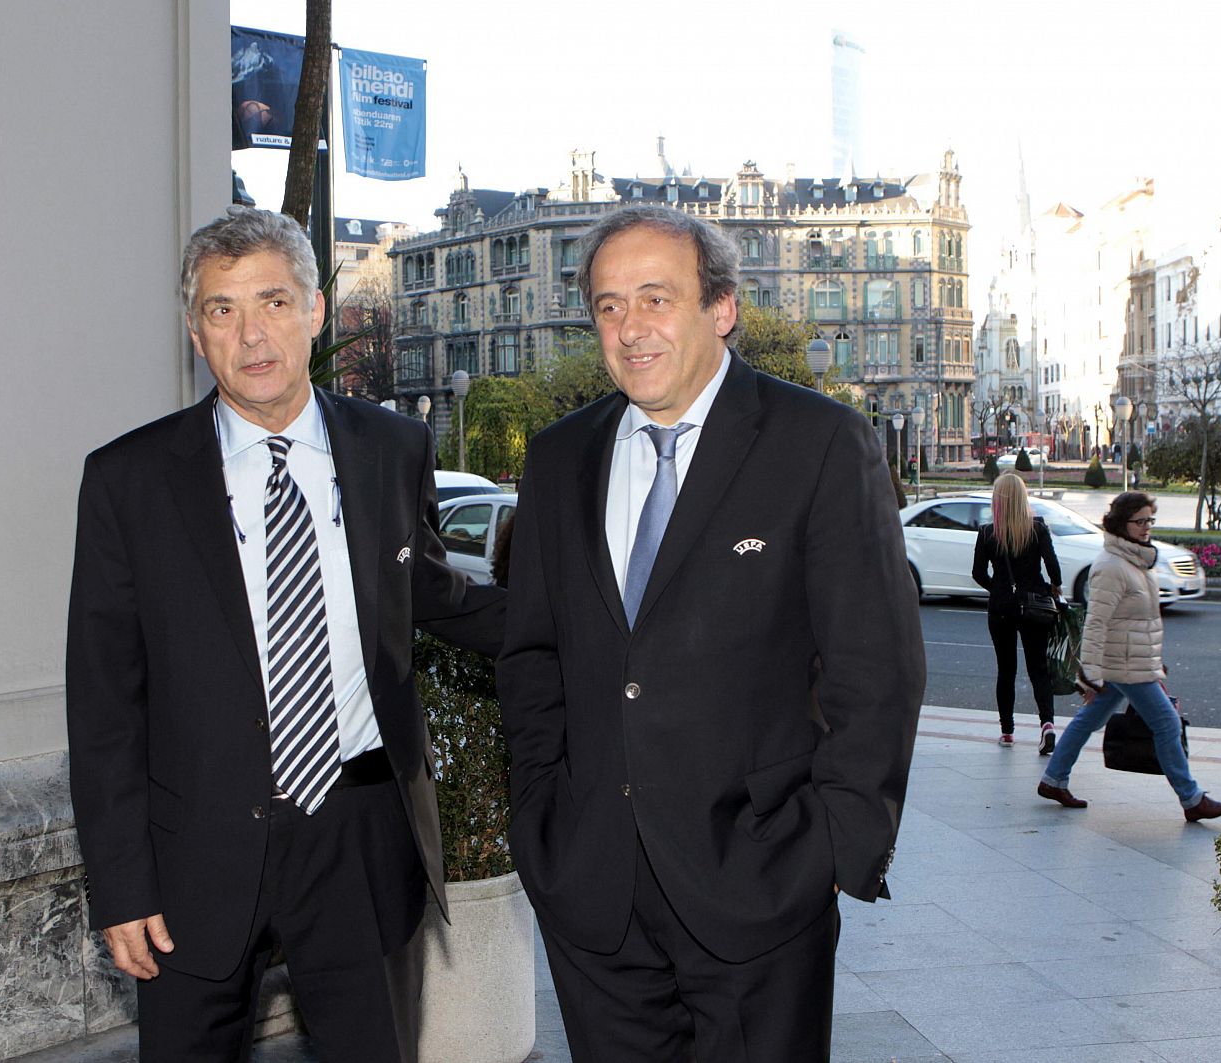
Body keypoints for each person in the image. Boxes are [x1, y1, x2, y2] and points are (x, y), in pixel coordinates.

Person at [65, 207, 505, 1062]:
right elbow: (105, 702)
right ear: (196, 333)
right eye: (223, 310)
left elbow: (431, 594)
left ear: (314, 310)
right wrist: (120, 886)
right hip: (194, 853)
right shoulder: (128, 480)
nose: (251, 333)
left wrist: (611, 618)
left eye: (272, 301)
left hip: (360, 833)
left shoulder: (394, 446)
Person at [496, 205, 926, 1063]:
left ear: (720, 308)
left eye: (656, 298)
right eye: (609, 305)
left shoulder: (820, 442)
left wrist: (837, 846)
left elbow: (874, 667)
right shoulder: (556, 458)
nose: (630, 327)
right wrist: (540, 816)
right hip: (593, 893)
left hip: (762, 883)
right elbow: (533, 655)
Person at [1036, 491, 1221, 822]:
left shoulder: (1135, 560)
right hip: (1123, 665)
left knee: (1090, 720)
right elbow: (1096, 622)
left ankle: (1053, 779)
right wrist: (1090, 674)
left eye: (1149, 520)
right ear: (1120, 524)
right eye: (1139, 521)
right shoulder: (1112, 566)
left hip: (1131, 661)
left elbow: (1139, 622)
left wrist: (1152, 663)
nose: (1146, 527)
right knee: (1167, 723)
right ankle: (1191, 799)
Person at [972, 472, 1062, 752]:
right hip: (1034, 606)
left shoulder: (988, 533)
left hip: (1001, 609)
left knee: (1006, 669)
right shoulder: (1037, 529)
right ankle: (1047, 724)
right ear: (1023, 498)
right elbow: (1053, 566)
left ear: (997, 501)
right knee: (1039, 669)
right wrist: (1051, 587)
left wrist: (998, 589)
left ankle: (1007, 731)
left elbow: (977, 573)